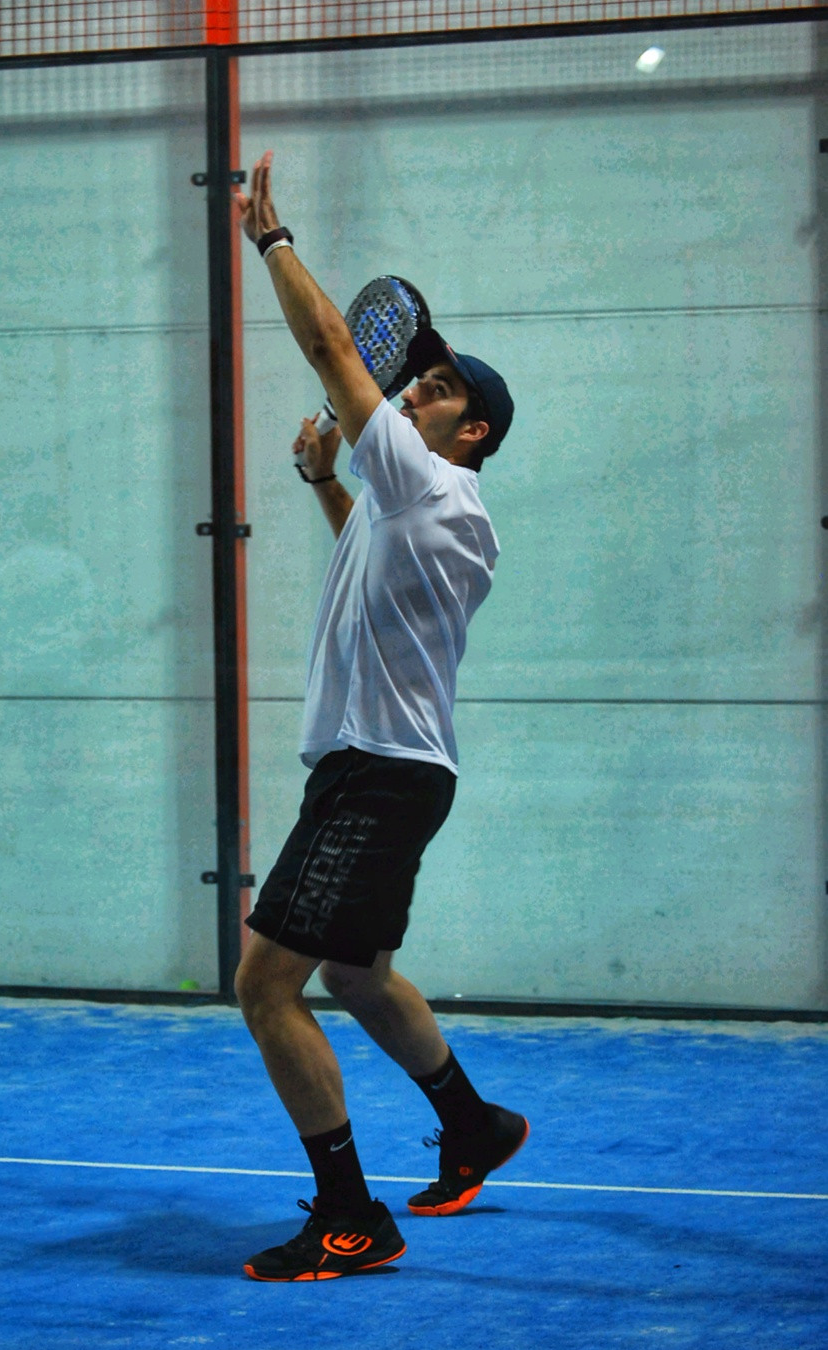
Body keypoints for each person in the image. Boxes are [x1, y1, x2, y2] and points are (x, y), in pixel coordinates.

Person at [232, 150, 529, 1282]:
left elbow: (329, 349)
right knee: (355, 972)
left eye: (437, 388)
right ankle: (473, 1124)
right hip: (393, 770)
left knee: (266, 984)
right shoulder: (419, 503)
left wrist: (273, 241)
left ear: (473, 431)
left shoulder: (433, 480)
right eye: (418, 379)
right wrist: (324, 485)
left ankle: (352, 1217)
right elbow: (370, 564)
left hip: (377, 770)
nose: (412, 390)